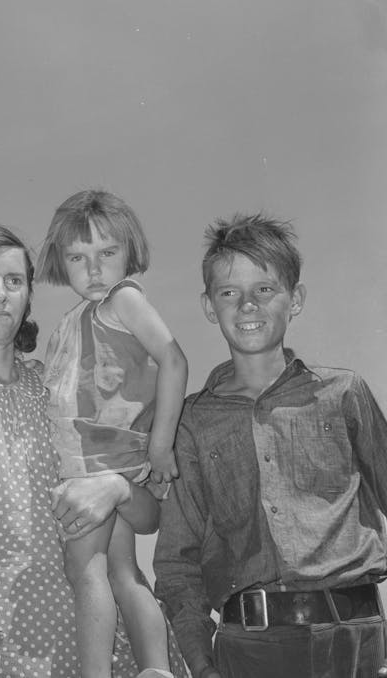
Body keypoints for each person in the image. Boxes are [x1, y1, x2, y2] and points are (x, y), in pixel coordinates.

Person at [0, 221, 189, 678]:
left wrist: (119, 489)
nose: (0, 293)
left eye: (14, 281)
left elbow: (150, 518)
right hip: (11, 649)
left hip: (120, 649)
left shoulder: (67, 389)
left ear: (29, 296)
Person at [153, 213, 387, 678]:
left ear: (294, 299)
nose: (247, 306)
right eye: (229, 293)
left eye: (265, 289)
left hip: (357, 638)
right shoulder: (192, 421)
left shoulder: (344, 393)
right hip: (251, 650)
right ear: (208, 305)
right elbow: (177, 562)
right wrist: (202, 664)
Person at [35, 190, 187, 678]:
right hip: (105, 459)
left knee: (85, 570)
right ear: (61, 261)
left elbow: (175, 360)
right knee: (123, 570)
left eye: (107, 254)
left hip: (98, 457)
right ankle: (156, 670)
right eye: (78, 257)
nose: (94, 269)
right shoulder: (77, 318)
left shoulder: (124, 299)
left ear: (129, 252)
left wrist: (161, 446)